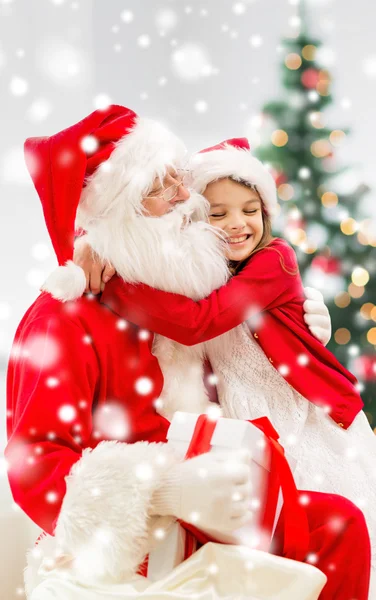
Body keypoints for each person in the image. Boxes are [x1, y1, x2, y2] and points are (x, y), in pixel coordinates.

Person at [6, 106, 370, 599]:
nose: (187, 198)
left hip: (221, 504)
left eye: (181, 178)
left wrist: (303, 318)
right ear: (120, 211)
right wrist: (165, 491)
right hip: (135, 541)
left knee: (339, 526)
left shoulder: (174, 291)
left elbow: (230, 305)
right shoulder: (62, 320)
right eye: (162, 186)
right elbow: (35, 465)